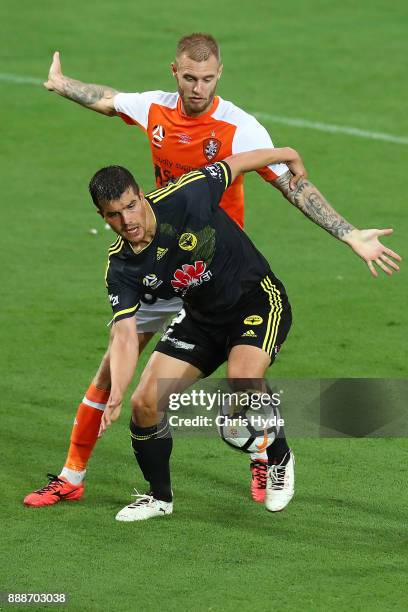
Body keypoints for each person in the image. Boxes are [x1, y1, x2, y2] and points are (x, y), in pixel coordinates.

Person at [23, 33, 400, 509]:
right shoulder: (156, 109)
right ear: (174, 72)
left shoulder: (239, 127)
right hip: (156, 257)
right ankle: (72, 475)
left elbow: (292, 185)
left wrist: (348, 234)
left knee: (243, 381)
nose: (197, 87)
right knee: (112, 375)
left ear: (219, 75)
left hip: (214, 262)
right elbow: (108, 100)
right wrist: (62, 84)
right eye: (188, 77)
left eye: (206, 78)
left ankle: (265, 455)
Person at [89, 148, 398, 521]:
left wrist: (290, 155)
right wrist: (118, 394)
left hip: (256, 301)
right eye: (114, 215)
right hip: (201, 320)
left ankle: (278, 455)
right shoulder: (121, 265)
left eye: (131, 206)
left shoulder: (187, 194)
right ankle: (159, 498)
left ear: (141, 195)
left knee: (243, 377)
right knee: (144, 404)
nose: (127, 220)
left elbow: (238, 163)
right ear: (102, 216)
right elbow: (123, 335)